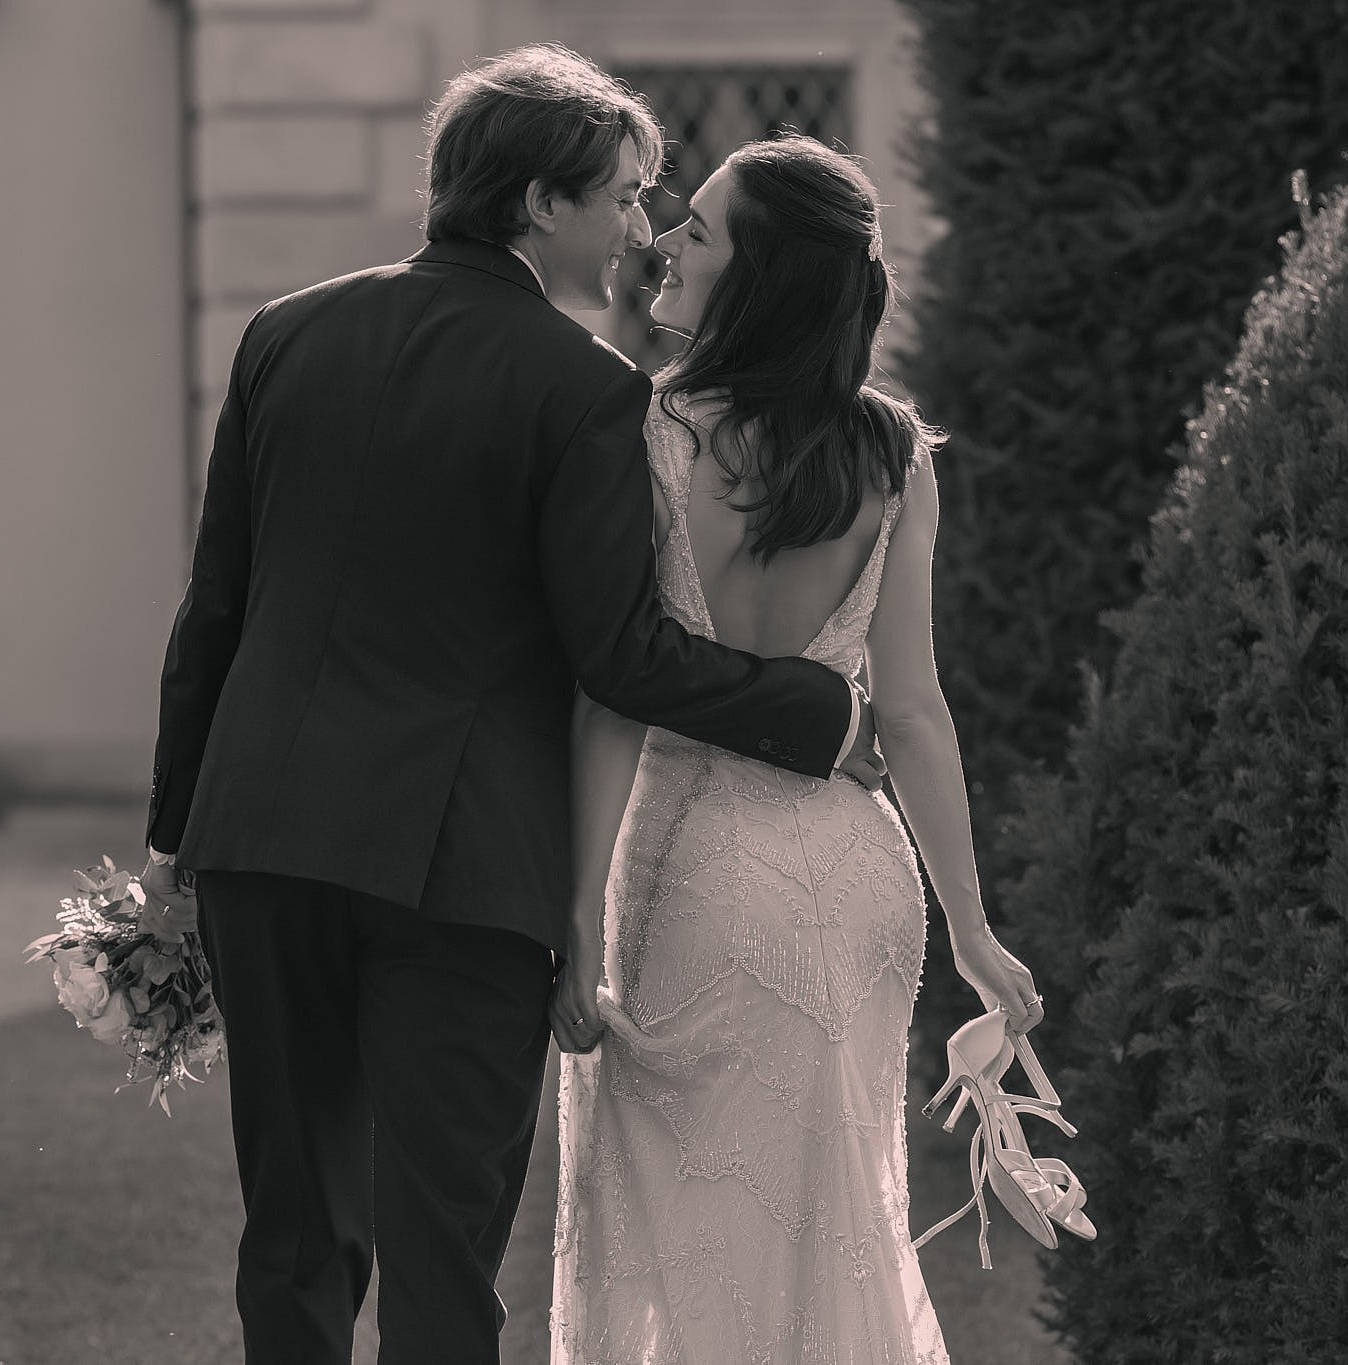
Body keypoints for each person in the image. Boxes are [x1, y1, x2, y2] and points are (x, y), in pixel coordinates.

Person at [138, 48, 890, 1365]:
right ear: (540, 204)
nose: (640, 231)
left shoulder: (282, 333)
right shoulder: (584, 390)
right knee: (444, 1265)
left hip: (263, 843)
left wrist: (171, 846)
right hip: (461, 871)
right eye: (622, 197)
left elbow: (212, 613)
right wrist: (818, 715)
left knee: (295, 1239)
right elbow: (623, 654)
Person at [548, 133, 1043, 1364]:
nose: (662, 238)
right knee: (832, 1227)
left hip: (693, 878)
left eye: (697, 231)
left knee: (679, 1237)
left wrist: (569, 923)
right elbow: (914, 710)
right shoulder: (891, 454)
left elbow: (614, 697)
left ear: (756, 279)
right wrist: (973, 931)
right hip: (862, 881)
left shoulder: (652, 431)